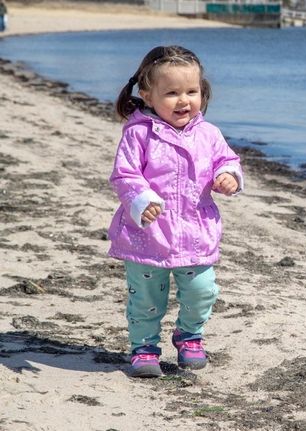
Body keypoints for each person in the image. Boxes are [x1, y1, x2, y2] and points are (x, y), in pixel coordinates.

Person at [108, 45, 243, 378]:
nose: (183, 100)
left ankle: (189, 336)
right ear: (148, 95)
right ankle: (144, 348)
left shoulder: (208, 134)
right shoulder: (138, 134)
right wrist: (141, 200)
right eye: (171, 93)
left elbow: (227, 160)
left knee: (202, 291)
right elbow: (124, 175)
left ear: (202, 92)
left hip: (195, 233)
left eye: (191, 91)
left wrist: (228, 177)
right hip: (147, 235)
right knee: (146, 299)